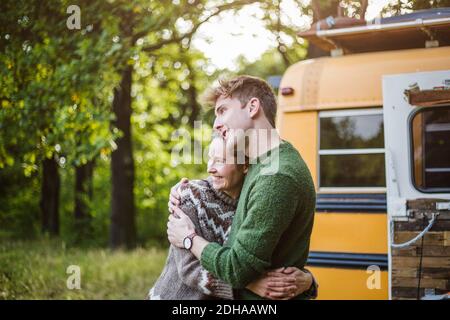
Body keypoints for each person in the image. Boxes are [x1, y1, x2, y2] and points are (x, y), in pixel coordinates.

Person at [167, 75, 317, 299]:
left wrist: (189, 238)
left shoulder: (276, 176)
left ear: (253, 107)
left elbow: (236, 270)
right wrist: (185, 190)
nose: (216, 124)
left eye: (222, 111)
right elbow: (227, 182)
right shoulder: (265, 162)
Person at [148, 136, 316, 300]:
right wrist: (248, 284)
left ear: (244, 165)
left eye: (220, 161)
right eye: (209, 159)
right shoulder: (190, 195)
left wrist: (308, 281)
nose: (210, 168)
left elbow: (270, 262)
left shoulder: (258, 199)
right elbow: (188, 269)